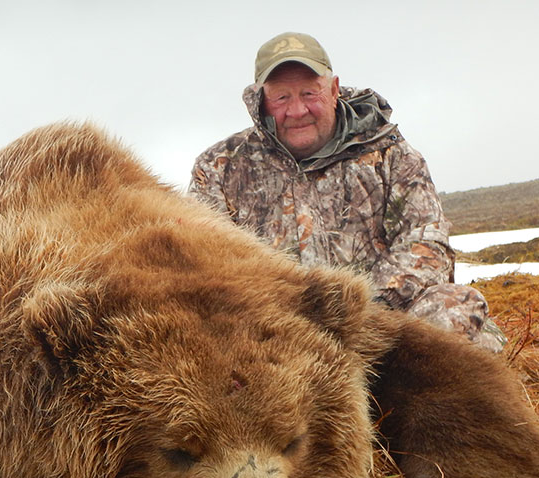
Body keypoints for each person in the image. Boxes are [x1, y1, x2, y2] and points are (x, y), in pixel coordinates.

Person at [190, 32, 504, 352]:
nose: (297, 110)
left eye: (309, 93)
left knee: (454, 307)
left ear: (334, 89)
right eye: (282, 97)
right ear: (260, 99)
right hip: (272, 337)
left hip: (378, 327)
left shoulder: (392, 155)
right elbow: (202, 260)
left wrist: (359, 311)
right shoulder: (220, 167)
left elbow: (427, 244)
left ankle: (394, 396)